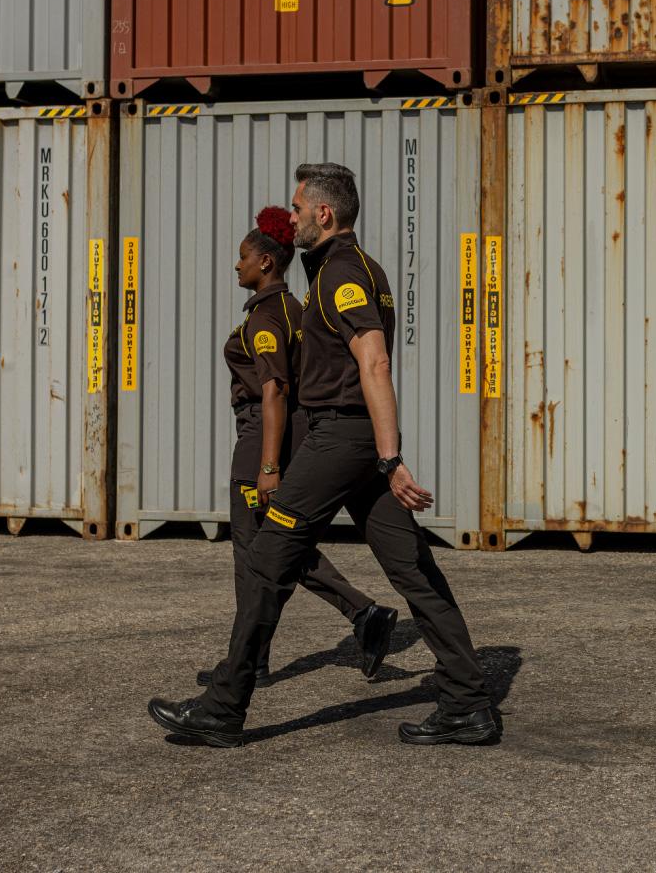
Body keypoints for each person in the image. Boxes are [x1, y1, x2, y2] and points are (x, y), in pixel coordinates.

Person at [149, 167, 496, 748]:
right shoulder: (359, 271)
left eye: (297, 207)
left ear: (324, 214)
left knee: (266, 558)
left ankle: (223, 708)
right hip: (350, 443)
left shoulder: (342, 277)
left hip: (341, 440)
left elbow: (375, 364)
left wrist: (391, 459)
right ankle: (468, 703)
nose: (291, 217)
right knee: (413, 568)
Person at [197, 206, 397, 689]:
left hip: (261, 443)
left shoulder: (267, 317)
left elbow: (275, 392)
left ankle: (249, 662)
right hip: (295, 438)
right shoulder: (297, 308)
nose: (236, 266)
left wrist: (267, 465)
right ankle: (356, 615)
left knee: (255, 553)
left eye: (243, 258)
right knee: (282, 545)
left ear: (266, 262)